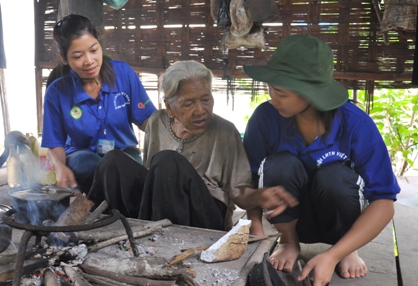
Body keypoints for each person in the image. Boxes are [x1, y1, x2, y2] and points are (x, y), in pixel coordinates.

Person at [242, 34, 401, 285]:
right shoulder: (265, 118)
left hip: (340, 223)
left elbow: (384, 202)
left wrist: (333, 255)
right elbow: (247, 184)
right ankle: (289, 243)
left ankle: (346, 248)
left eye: (280, 92)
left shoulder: (356, 124)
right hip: (288, 222)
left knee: (335, 177)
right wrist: (256, 224)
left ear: (310, 94)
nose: (272, 98)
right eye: (271, 90)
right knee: (280, 164)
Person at [87, 60, 298, 231]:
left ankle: (161, 241)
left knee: (167, 162)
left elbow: (239, 192)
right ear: (169, 106)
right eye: (189, 103)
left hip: (205, 216)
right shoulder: (156, 122)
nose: (200, 110)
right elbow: (149, 177)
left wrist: (260, 196)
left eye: (206, 99)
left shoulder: (225, 132)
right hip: (157, 208)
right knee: (113, 162)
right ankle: (103, 230)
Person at [41, 14, 156, 194]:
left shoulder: (123, 73)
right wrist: (60, 168)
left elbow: (147, 120)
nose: (89, 61)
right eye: (78, 56)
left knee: (118, 166)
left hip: (125, 155)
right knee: (89, 165)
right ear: (65, 58)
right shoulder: (57, 92)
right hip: (82, 158)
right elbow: (55, 142)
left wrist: (172, 128)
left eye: (94, 50)